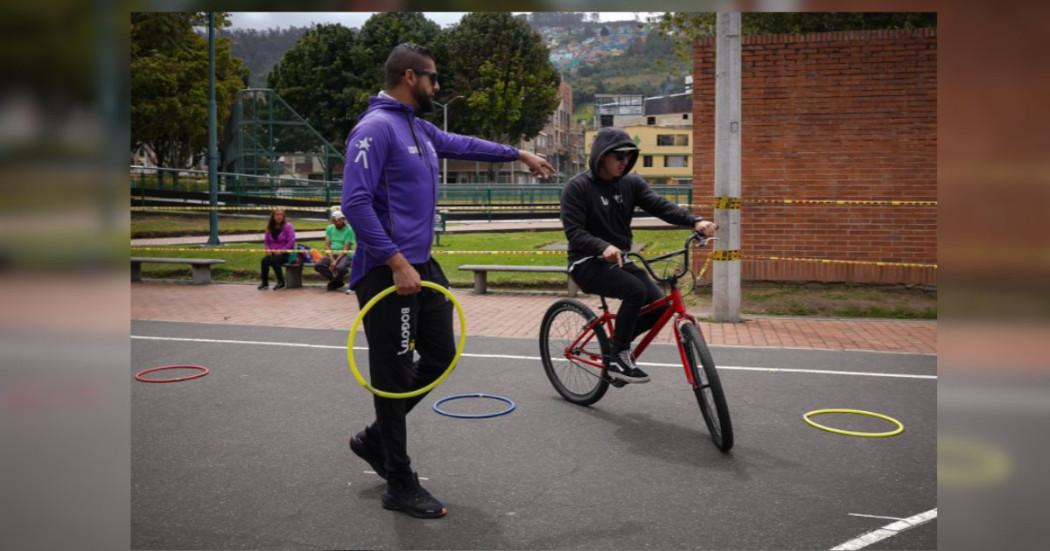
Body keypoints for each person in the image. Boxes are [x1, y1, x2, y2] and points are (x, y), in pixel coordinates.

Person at [342, 42, 554, 519]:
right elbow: (355, 203)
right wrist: (396, 263)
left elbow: (464, 144)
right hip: (386, 272)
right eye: (433, 79)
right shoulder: (374, 129)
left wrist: (519, 153)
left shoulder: (417, 126)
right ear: (411, 77)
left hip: (422, 266)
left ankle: (376, 437)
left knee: (440, 353)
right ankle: (399, 480)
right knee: (392, 381)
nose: (438, 87)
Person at [560, 126, 717, 383]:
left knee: (657, 306)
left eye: (628, 157)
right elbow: (574, 232)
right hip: (586, 262)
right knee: (635, 291)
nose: (624, 162)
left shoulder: (631, 184)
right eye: (619, 156)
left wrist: (695, 221)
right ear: (602, 155)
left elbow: (660, 206)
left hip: (619, 260)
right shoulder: (577, 188)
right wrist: (602, 247)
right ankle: (619, 355)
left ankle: (616, 345)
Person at [316, 209, 355, 291]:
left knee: (340, 267)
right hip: (331, 253)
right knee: (319, 265)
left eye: (339, 220)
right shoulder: (330, 228)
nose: (337, 223)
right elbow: (327, 245)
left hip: (344, 254)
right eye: (335, 221)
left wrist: (335, 261)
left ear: (343, 220)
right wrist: (332, 259)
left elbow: (346, 248)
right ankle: (335, 281)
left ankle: (337, 280)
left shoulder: (349, 230)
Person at [260, 208, 296, 290]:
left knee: (274, 260)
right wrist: (268, 249)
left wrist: (282, 250)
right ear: (273, 216)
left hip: (285, 253)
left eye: (281, 215)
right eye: (277, 215)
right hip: (272, 253)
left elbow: (291, 241)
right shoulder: (270, 227)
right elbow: (266, 242)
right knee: (264, 260)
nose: (279, 217)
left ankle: (281, 282)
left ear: (284, 216)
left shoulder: (288, 226)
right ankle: (264, 283)